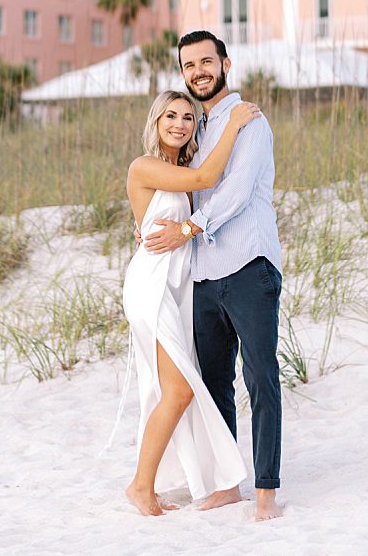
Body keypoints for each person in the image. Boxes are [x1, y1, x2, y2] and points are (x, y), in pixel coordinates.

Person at [143, 30, 284, 522]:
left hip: (248, 265)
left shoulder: (251, 123)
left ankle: (265, 488)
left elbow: (236, 192)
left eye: (207, 61)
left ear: (226, 63)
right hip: (203, 274)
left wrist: (187, 227)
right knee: (214, 381)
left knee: (261, 375)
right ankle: (226, 484)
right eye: (189, 66)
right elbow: (183, 185)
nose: (199, 71)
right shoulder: (196, 130)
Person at [122, 89, 262, 516]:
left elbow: (164, 216)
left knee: (170, 387)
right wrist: (236, 124)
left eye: (187, 117)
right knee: (179, 389)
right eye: (171, 116)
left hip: (177, 286)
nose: (180, 124)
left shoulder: (177, 170)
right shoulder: (145, 166)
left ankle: (155, 480)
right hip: (152, 286)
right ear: (156, 121)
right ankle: (140, 486)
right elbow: (207, 180)